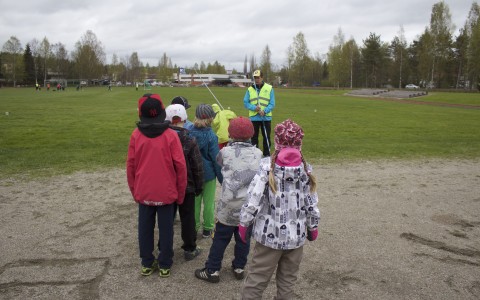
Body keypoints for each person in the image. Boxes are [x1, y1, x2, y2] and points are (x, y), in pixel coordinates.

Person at [238, 119, 320, 299]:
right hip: (295, 238)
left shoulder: (267, 167)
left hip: (269, 239)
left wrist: (244, 222)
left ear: (276, 142)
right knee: (287, 281)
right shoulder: (304, 170)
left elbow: (253, 198)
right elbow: (311, 202)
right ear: (300, 144)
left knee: (257, 279)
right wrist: (313, 226)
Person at [194, 117, 262, 283]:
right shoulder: (258, 154)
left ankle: (213, 270)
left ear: (231, 134)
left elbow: (220, 163)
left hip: (227, 208)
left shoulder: (225, 152)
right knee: (243, 240)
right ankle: (239, 267)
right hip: (247, 210)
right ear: (251, 134)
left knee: (219, 240)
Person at [126, 93, 187, 278]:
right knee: (166, 228)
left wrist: (134, 191)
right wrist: (180, 193)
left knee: (145, 228)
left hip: (145, 191)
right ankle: (164, 263)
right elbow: (181, 167)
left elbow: (130, 166)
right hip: (167, 192)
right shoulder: (170, 135)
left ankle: (147, 262)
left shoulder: (136, 135)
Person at [165, 104, 204, 261]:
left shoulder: (165, 138)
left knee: (168, 218)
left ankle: (165, 245)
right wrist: (199, 185)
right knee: (187, 217)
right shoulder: (188, 138)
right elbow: (197, 166)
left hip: (170, 186)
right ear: (185, 119)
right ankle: (189, 247)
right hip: (186, 186)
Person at [188, 104, 223, 238]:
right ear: (210, 119)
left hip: (193, 174)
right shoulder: (211, 136)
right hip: (208, 175)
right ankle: (207, 228)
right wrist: (222, 179)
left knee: (195, 203)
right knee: (209, 203)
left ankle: (194, 227)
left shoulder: (189, 132)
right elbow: (216, 160)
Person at [243, 69, 275, 157]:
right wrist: (254, 108)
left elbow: (272, 103)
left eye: (258, 77)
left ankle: (267, 155)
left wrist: (265, 111)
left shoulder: (269, 88)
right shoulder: (250, 89)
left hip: (266, 117)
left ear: (262, 77)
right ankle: (254, 155)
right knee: (254, 138)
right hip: (254, 117)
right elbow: (246, 102)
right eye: (255, 78)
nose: (256, 79)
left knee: (266, 137)